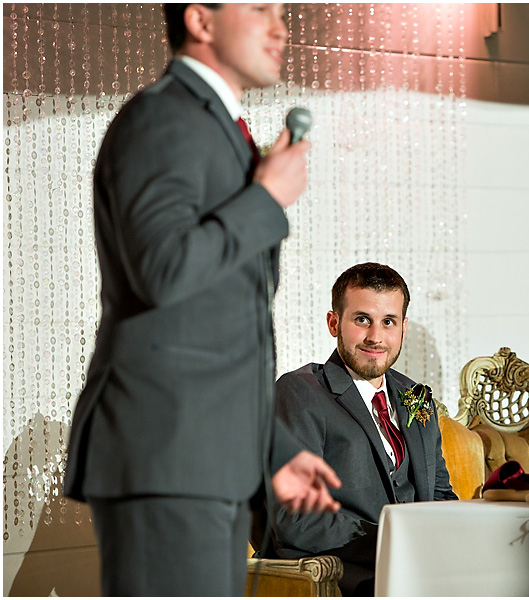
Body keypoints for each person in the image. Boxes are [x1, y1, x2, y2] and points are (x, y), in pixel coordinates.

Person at [62, 4, 341, 596]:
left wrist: (273, 447)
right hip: (166, 456)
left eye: (284, 11)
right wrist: (265, 200)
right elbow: (161, 270)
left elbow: (212, 327)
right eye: (260, 8)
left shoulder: (217, 128)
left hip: (207, 459)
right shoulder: (163, 117)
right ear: (201, 20)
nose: (280, 27)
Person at [263, 262, 457, 596]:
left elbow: (440, 497)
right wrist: (396, 543)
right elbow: (296, 519)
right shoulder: (300, 392)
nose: (376, 337)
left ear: (403, 328)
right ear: (333, 322)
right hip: (343, 575)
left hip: (426, 571)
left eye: (388, 322)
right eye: (362, 319)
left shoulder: (417, 398)